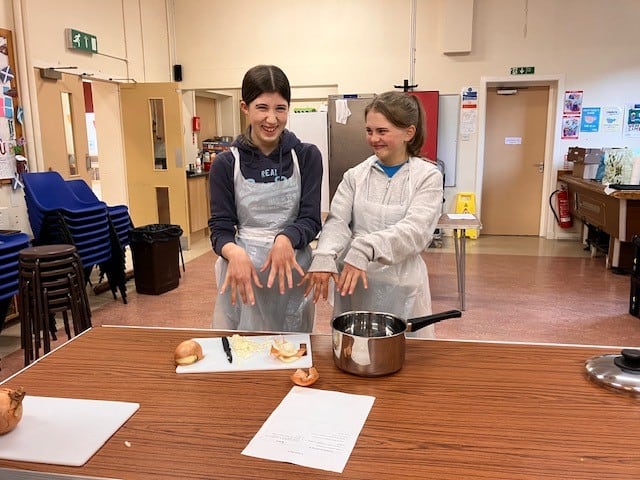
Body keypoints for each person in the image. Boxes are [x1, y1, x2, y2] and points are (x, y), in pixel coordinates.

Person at [302, 91, 443, 337]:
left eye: (382, 131)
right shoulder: (355, 175)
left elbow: (416, 231)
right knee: (355, 351)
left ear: (408, 133)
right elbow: (338, 222)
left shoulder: (427, 177)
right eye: (369, 131)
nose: (374, 138)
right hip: (356, 287)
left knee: (403, 356)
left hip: (402, 288)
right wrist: (325, 253)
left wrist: (366, 247)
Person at [209, 65, 323, 332]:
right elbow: (220, 228)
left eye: (280, 108)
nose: (271, 119)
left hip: (293, 270)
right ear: (245, 107)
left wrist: (286, 237)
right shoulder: (226, 164)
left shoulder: (306, 156)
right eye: (262, 107)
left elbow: (310, 219)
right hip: (242, 273)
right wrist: (233, 252)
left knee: (291, 350)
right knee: (243, 348)